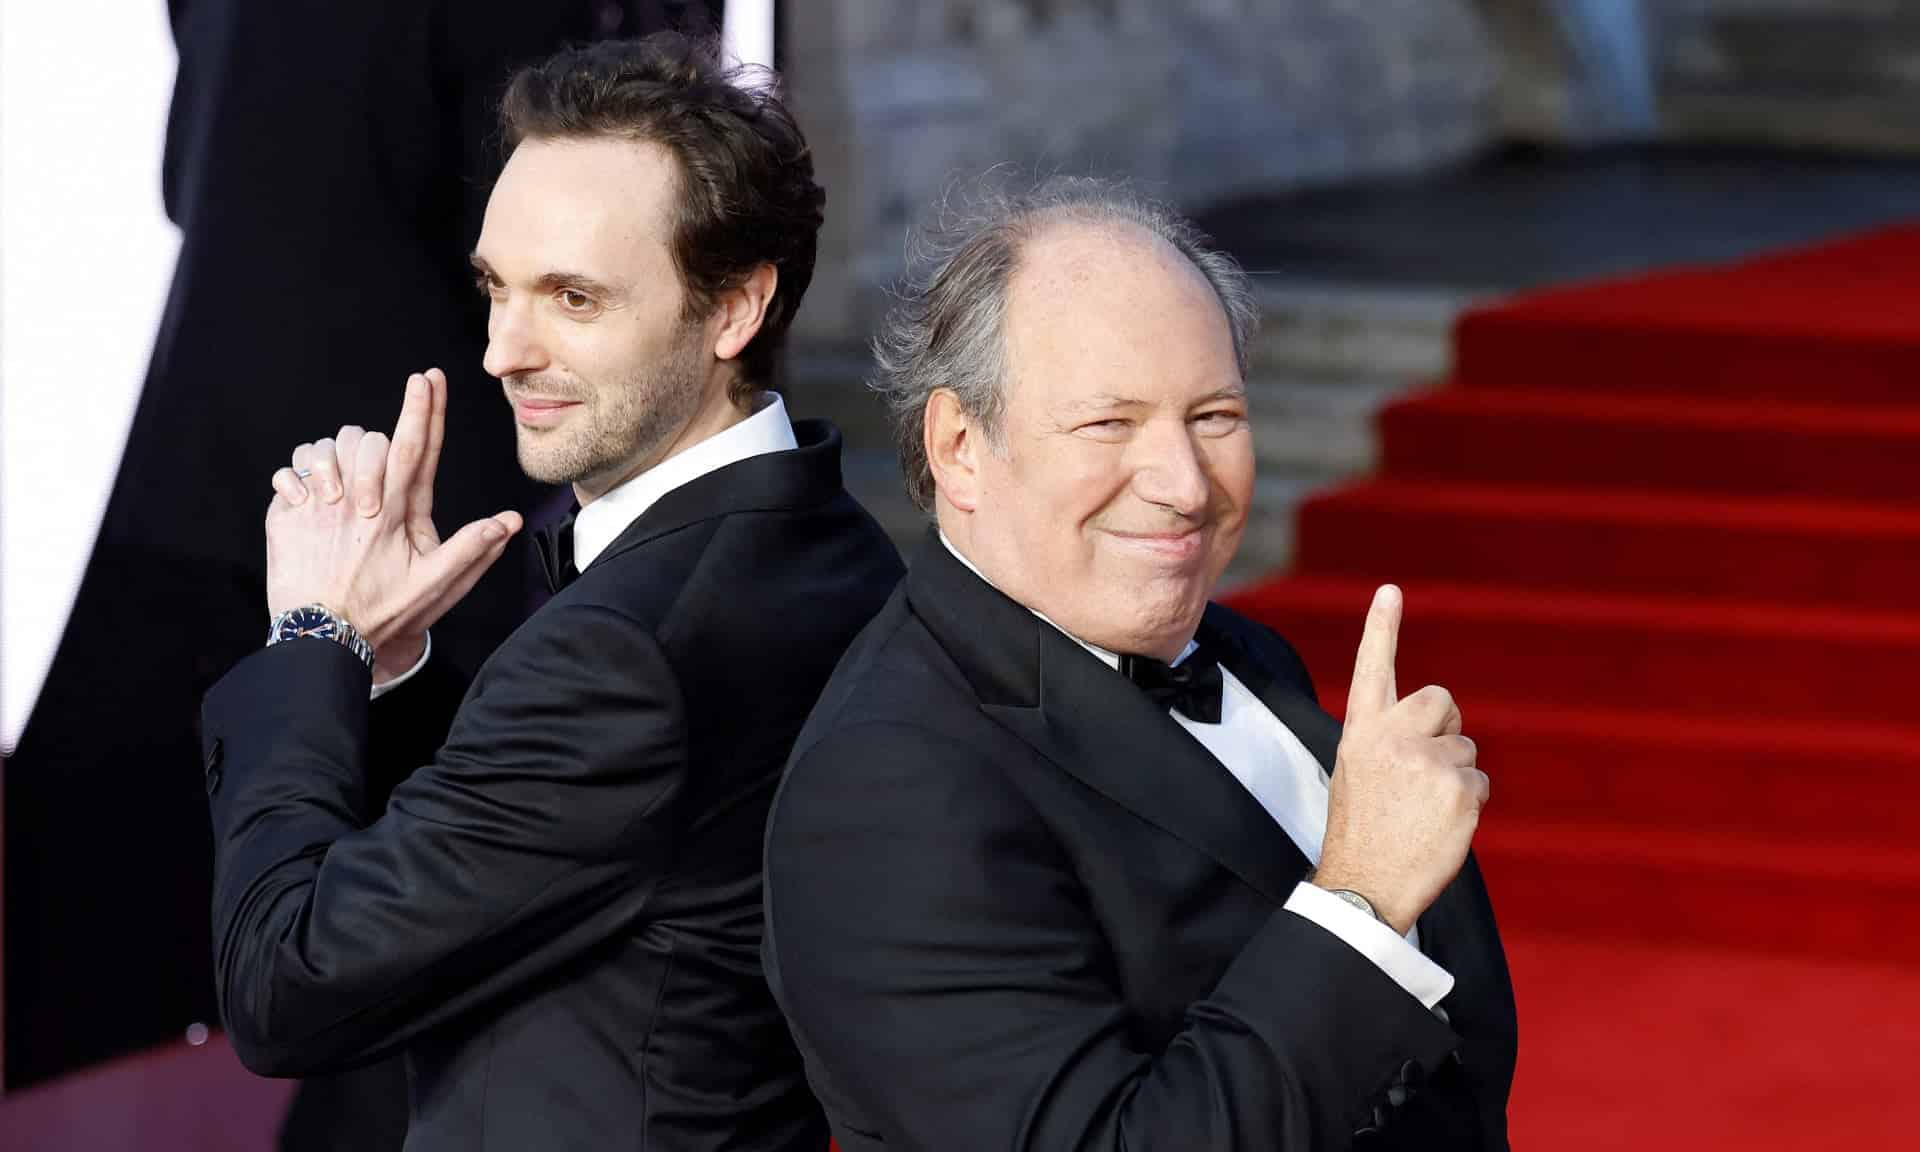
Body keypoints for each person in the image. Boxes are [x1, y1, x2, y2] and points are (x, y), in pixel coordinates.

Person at [198, 33, 902, 1151]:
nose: (501, 353)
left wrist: (312, 636)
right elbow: (558, 843)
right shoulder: (830, 542)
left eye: (573, 298)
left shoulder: (628, 647)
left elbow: (285, 988)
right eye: (497, 289)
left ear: (735, 308)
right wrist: (394, 670)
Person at [762, 177, 1517, 1149]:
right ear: (958, 446)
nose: (1185, 485)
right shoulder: (885, 786)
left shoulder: (1245, 653)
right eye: (1108, 424)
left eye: (1214, 416)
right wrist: (1362, 901)